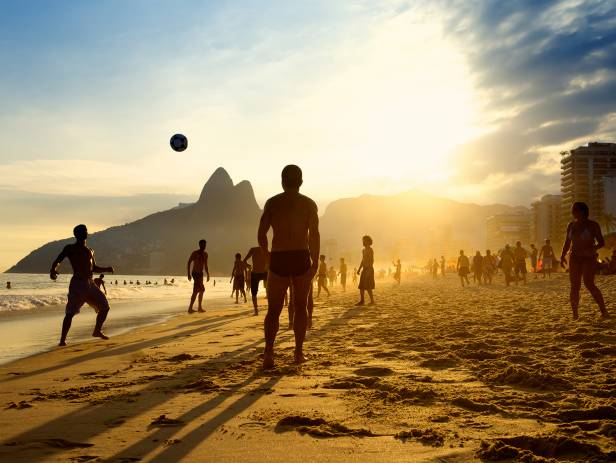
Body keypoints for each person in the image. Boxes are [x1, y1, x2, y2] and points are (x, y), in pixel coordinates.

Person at [258, 165, 319, 369]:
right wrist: (316, 261)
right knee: (300, 307)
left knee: (273, 310)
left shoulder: (273, 203)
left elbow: (261, 233)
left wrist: (267, 256)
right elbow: (314, 235)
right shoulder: (309, 204)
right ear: (301, 182)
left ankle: (269, 354)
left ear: (282, 181)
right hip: (301, 256)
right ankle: (298, 353)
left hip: (279, 257)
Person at [50, 224, 114, 346]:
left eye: (85, 230)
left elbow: (94, 268)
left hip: (90, 283)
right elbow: (58, 260)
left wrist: (107, 268)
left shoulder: (90, 251)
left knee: (105, 307)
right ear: (76, 235)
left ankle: (97, 331)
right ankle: (62, 340)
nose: (85, 232)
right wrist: (53, 269)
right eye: (81, 231)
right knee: (70, 313)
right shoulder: (70, 248)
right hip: (78, 283)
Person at [560, 202, 609, 319]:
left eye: (574, 210)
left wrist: (593, 248)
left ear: (582, 211)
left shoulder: (593, 225)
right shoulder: (571, 225)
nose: (572, 212)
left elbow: (601, 242)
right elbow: (567, 242)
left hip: (589, 258)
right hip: (574, 257)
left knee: (589, 283)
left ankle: (604, 311)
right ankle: (575, 315)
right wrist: (562, 256)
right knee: (574, 286)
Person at [187, 239, 210, 314]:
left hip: (200, 274)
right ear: (199, 245)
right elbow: (189, 262)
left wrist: (208, 274)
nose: (204, 246)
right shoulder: (195, 253)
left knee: (200, 290)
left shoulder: (205, 254)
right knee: (199, 290)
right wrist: (188, 274)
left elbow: (206, 265)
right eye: (202, 244)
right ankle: (192, 308)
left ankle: (197, 307)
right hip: (195, 273)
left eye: (205, 245)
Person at [244, 246, 268, 315]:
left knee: (254, 293)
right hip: (264, 273)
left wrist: (249, 266)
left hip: (256, 273)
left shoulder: (253, 249)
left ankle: (256, 310)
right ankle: (258, 310)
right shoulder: (266, 249)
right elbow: (270, 261)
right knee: (269, 291)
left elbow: (244, 260)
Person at [356, 235, 375, 305]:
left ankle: (372, 301)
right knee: (361, 286)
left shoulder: (370, 250)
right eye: (363, 240)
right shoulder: (363, 250)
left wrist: (369, 268)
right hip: (364, 269)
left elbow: (372, 260)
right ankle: (362, 300)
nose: (363, 242)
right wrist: (359, 269)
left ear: (368, 241)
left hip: (369, 269)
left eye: (364, 240)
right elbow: (362, 260)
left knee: (368, 285)